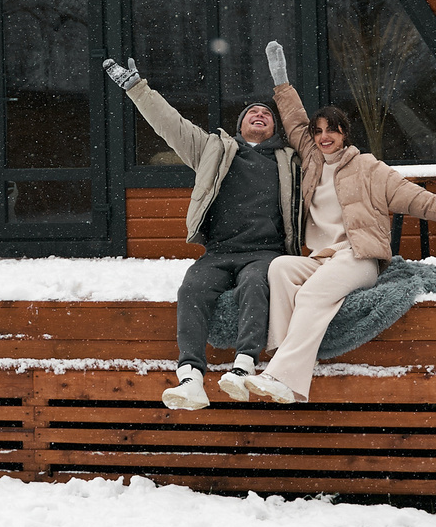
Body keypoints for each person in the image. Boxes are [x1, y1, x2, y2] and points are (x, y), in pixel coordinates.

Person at [223, 40, 436, 405]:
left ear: (344, 133)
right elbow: (294, 120)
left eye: (332, 130)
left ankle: (283, 377)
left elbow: (410, 195)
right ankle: (285, 355)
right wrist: (281, 82)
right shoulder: (313, 161)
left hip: (359, 257)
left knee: (314, 294)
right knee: (281, 268)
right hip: (322, 257)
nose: (324, 136)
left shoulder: (367, 167)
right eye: (318, 132)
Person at [100, 55, 297, 409]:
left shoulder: (289, 160)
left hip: (266, 251)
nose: (260, 115)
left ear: (275, 128)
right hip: (219, 252)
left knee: (255, 284)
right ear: (240, 125)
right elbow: (169, 123)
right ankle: (191, 377)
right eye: (253, 112)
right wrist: (136, 88)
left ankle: (243, 368)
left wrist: (283, 86)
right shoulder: (213, 149)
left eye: (267, 114)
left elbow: (307, 130)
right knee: (191, 287)